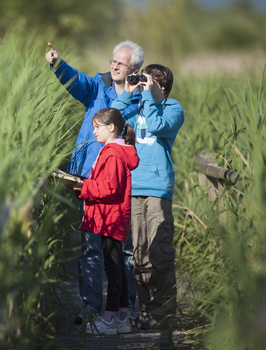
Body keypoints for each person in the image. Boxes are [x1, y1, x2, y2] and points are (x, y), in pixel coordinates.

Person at [46, 41, 144, 323]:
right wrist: (57, 64)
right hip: (89, 175)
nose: (113, 66)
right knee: (90, 246)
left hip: (120, 183)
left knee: (122, 249)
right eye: (112, 61)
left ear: (133, 69)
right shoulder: (97, 87)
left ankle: (126, 307)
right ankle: (91, 307)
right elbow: (77, 82)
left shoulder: (139, 100)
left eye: (120, 64)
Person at [112, 64, 184, 329]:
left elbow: (155, 125)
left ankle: (163, 315)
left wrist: (148, 95)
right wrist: (128, 93)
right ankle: (147, 314)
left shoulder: (172, 108)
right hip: (134, 189)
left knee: (159, 253)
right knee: (140, 255)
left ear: (161, 86)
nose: (143, 85)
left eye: (148, 81)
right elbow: (111, 122)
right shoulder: (137, 107)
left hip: (157, 189)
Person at [71, 108, 139, 335]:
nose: (93, 131)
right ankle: (121, 319)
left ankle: (109, 321)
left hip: (110, 217)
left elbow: (109, 188)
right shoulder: (115, 151)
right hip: (114, 216)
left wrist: (82, 186)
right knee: (118, 266)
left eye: (97, 126)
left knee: (113, 270)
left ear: (111, 128)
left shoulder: (111, 153)